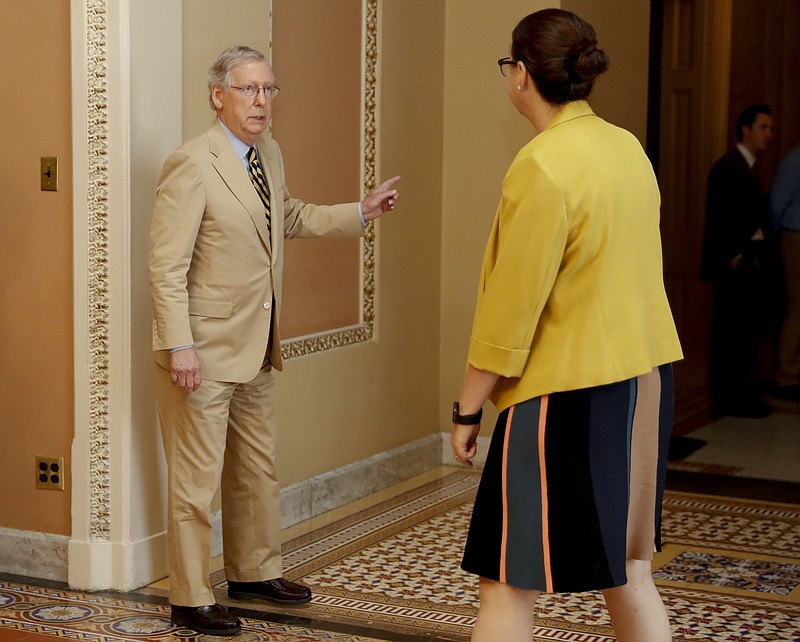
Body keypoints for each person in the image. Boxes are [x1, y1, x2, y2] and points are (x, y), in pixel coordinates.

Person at [148, 45, 400, 637]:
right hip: (201, 354)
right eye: (248, 90)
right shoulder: (191, 162)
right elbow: (165, 267)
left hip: (259, 346)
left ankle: (254, 572)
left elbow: (285, 217)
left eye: (268, 90)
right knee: (195, 482)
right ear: (218, 96)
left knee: (256, 470)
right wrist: (179, 345)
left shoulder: (269, 154)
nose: (261, 102)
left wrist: (357, 212)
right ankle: (189, 595)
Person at [449, 9, 682, 642]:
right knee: (630, 570)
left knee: (506, 577)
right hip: (644, 382)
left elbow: (509, 311)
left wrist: (468, 410)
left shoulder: (541, 166)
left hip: (567, 392)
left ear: (521, 74)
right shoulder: (626, 146)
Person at [701, 104, 775, 418]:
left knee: (743, 330)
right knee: (730, 331)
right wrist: (736, 255)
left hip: (746, 261)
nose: (768, 135)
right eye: (763, 127)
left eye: (770, 129)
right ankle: (729, 397)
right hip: (734, 264)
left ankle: (742, 394)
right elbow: (724, 220)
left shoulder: (748, 168)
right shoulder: (727, 168)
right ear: (745, 130)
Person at [770, 143, 800, 401]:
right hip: (795, 237)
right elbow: (775, 206)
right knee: (796, 308)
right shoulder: (793, 161)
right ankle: (787, 374)